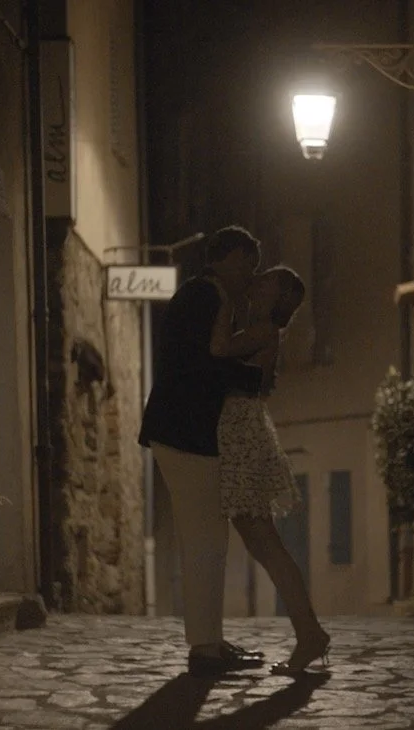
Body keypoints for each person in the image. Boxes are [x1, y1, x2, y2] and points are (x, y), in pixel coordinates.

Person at [138, 226, 269, 677]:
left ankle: (210, 642)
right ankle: (205, 650)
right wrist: (252, 377)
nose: (251, 273)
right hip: (186, 432)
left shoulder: (201, 295)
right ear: (231, 257)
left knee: (209, 540)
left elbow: (204, 362)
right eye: (249, 262)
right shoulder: (205, 296)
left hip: (184, 431)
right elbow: (204, 366)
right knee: (204, 541)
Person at [210, 265, 331, 675]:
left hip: (242, 434)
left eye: (266, 282)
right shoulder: (261, 329)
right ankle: (309, 633)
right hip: (243, 431)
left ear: (274, 298)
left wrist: (223, 301)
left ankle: (310, 633)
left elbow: (218, 350)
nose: (256, 282)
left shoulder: (263, 331)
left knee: (266, 543)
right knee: (263, 543)